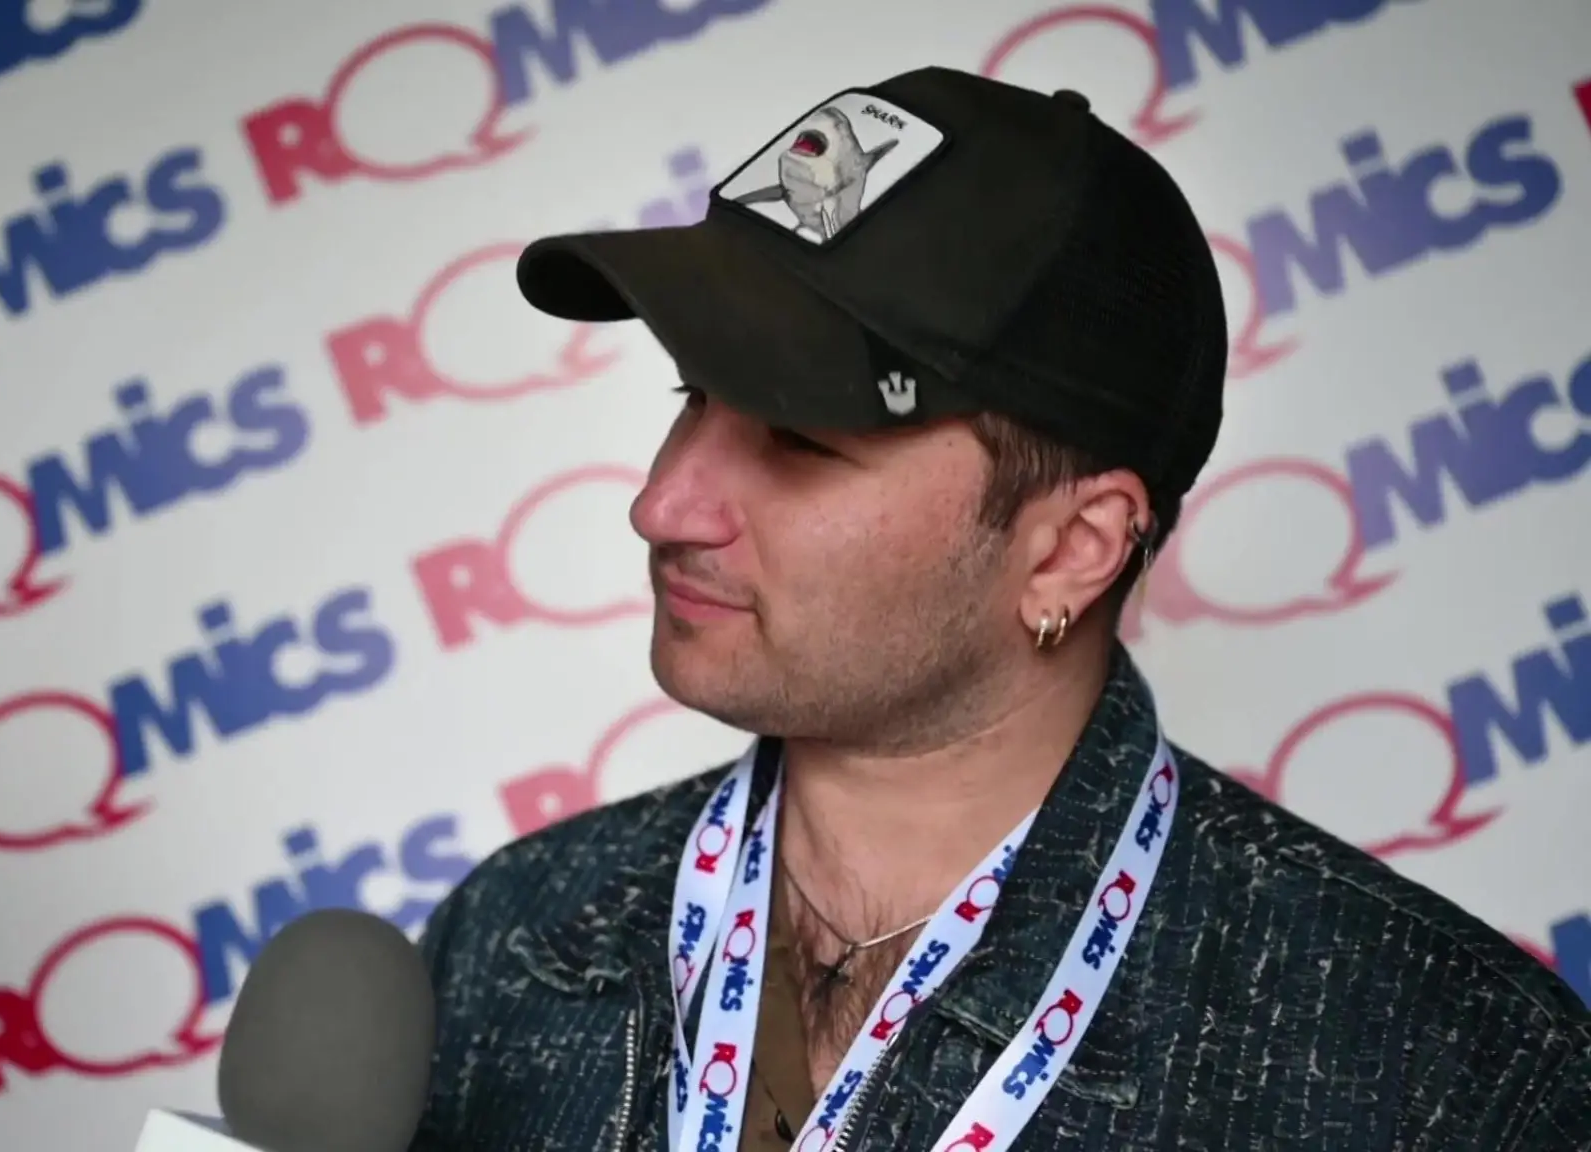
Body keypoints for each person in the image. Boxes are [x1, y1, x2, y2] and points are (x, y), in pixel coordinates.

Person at [404, 66, 1591, 1152]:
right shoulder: (511, 938)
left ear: (1071, 551)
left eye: (798, 439)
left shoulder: (1443, 1075)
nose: (662, 503)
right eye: (691, 396)